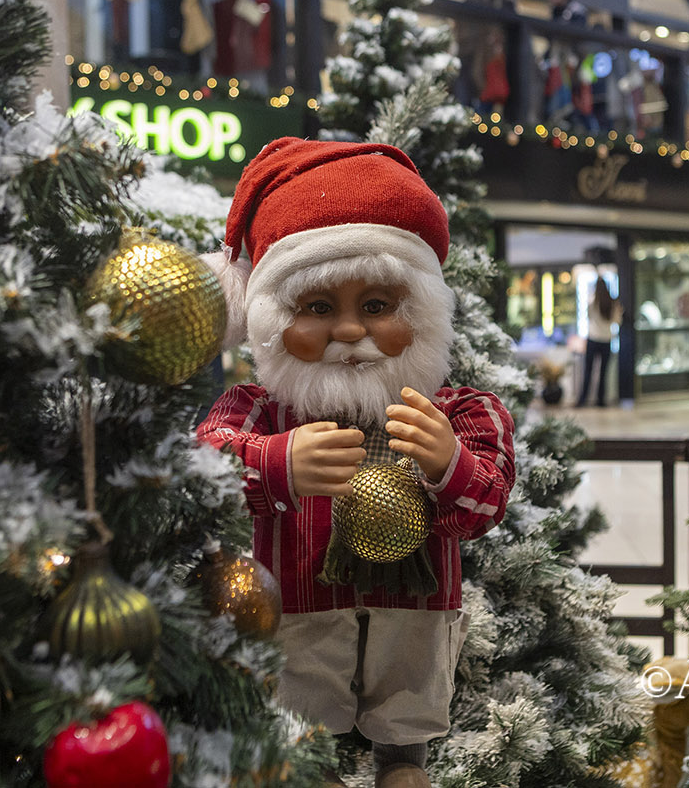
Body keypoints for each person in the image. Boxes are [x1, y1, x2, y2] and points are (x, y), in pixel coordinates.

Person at [197, 138, 516, 788]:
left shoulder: (459, 411)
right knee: (299, 721)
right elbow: (202, 471)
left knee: (408, 711)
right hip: (298, 611)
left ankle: (403, 766)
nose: (348, 331)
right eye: (318, 308)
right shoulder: (262, 410)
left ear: (421, 314)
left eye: (376, 306)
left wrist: (448, 463)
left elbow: (487, 504)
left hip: (413, 616)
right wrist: (277, 464)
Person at [576, 276, 622, 408]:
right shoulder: (613, 304)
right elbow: (617, 321)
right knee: (603, 373)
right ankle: (601, 400)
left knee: (588, 371)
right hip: (606, 340)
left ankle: (583, 400)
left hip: (593, 339)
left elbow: (588, 317)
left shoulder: (592, 302)